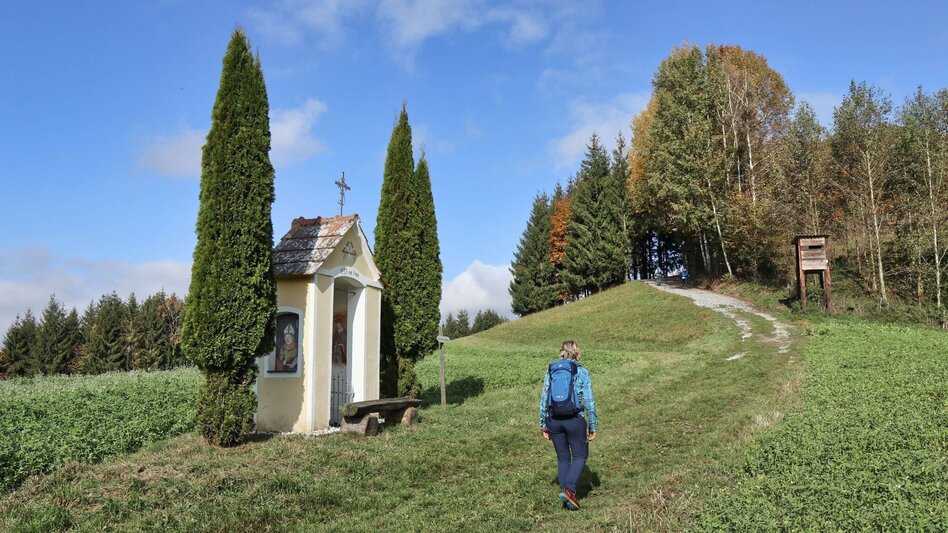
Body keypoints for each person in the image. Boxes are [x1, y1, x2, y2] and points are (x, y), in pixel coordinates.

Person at [539, 340, 598, 511]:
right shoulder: (582, 372)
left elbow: (544, 399)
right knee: (580, 455)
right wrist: (592, 425)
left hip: (554, 420)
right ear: (577, 352)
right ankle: (570, 489)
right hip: (575, 419)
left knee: (563, 458)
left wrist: (543, 424)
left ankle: (566, 499)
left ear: (561, 352)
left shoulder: (551, 371)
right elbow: (589, 402)